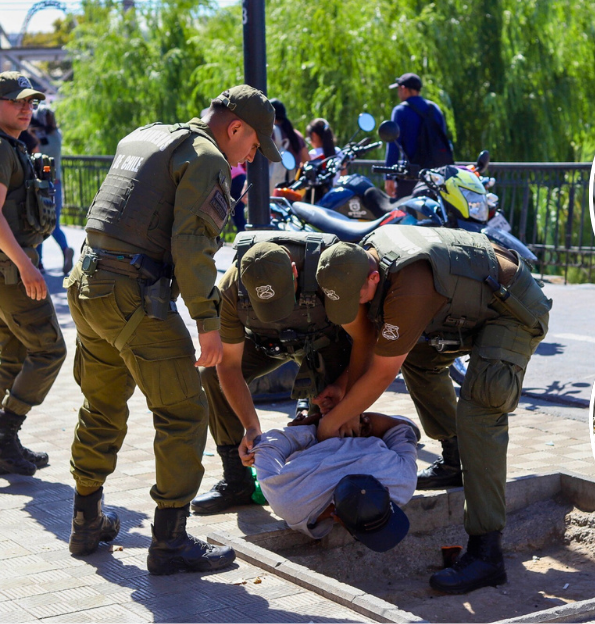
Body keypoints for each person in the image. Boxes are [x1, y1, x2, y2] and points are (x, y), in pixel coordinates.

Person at [63, 85, 281, 575]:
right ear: (236, 127)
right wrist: (207, 321)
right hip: (133, 298)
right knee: (184, 413)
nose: (250, 157)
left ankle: (85, 520)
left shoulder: (149, 135)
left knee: (101, 404)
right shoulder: (207, 158)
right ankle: (170, 542)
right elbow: (191, 247)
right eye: (253, 146)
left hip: (87, 285)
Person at [312, 224, 551, 593]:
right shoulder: (359, 259)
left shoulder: (410, 283)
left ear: (373, 277)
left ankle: (487, 554)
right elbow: (371, 342)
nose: (354, 308)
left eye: (356, 298)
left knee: (481, 406)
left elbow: (380, 373)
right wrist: (343, 396)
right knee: (419, 359)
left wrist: (331, 424)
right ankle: (457, 460)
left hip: (513, 309)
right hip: (467, 306)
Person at [191, 232, 353, 514]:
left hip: (325, 343)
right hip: (266, 343)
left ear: (294, 271)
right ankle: (236, 480)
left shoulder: (328, 272)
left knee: (337, 406)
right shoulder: (230, 288)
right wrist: (251, 426)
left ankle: (338, 476)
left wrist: (343, 384)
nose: (277, 313)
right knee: (211, 375)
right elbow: (228, 365)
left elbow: (365, 343)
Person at [0, 71, 66, 477]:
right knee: (50, 350)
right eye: (17, 101)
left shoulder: (6, 145)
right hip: (10, 270)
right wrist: (27, 266)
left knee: (15, 354)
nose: (27, 108)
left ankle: (4, 448)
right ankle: (2, 432)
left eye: (31, 102)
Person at [252, 413, 418, 549]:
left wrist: (320, 430)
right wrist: (355, 419)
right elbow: (265, 445)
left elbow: (402, 431)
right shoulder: (289, 501)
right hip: (356, 426)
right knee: (408, 425)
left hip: (343, 430)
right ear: (337, 518)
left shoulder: (402, 480)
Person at [384, 73, 453, 198]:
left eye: (399, 89)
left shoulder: (400, 111)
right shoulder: (435, 109)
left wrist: (389, 176)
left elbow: (393, 145)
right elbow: (443, 139)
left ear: (404, 89)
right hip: (436, 176)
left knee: (405, 214)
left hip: (411, 175)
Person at [30, 106, 75, 275]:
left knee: (39, 222)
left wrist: (32, 133)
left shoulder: (37, 138)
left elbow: (36, 152)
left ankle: (39, 262)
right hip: (56, 182)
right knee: (54, 222)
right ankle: (65, 249)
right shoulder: (57, 135)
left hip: (41, 183)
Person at [270, 99, 308, 189]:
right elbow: (307, 161)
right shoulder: (297, 135)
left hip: (274, 187)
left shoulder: (271, 133)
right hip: (293, 188)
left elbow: (263, 162)